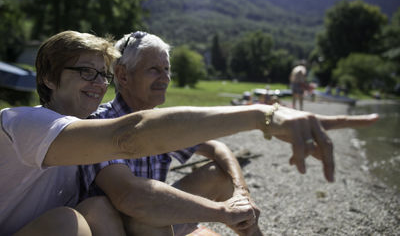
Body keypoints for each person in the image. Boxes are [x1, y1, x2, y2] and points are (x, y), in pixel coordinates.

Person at [0, 30, 378, 236]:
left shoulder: (89, 126)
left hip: (137, 219)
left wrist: (237, 197)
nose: (98, 83)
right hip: (104, 222)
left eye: (101, 74)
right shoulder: (27, 122)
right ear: (48, 78)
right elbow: (129, 140)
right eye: (86, 72)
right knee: (80, 217)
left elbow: (199, 144)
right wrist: (261, 115)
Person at [80, 32, 262, 235]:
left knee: (218, 174)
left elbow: (217, 148)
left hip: (155, 216)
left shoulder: (161, 122)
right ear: (123, 75)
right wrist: (222, 212)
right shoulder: (101, 122)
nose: (165, 78)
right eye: (154, 70)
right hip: (119, 225)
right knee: (139, 217)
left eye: (167, 69)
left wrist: (241, 192)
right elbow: (130, 196)